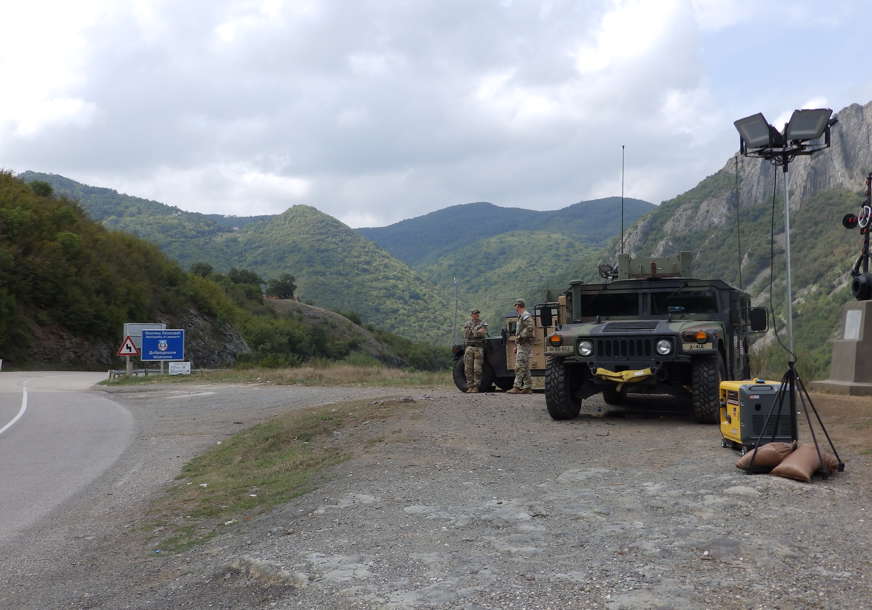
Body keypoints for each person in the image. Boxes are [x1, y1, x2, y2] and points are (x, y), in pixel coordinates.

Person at [508, 298, 534, 394]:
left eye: (515, 306)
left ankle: (517, 386)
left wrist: (520, 336)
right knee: (525, 366)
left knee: (519, 366)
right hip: (521, 344)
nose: (515, 308)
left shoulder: (526, 315)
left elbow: (530, 328)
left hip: (525, 344)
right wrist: (516, 344)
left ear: (518, 306)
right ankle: (527, 387)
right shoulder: (521, 316)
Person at [462, 309, 488, 392]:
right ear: (471, 315)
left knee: (477, 369)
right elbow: (466, 334)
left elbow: (482, 333)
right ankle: (470, 386)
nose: (476, 315)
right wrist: (475, 331)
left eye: (477, 314)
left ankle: (476, 386)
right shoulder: (467, 323)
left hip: (478, 348)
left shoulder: (483, 323)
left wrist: (473, 332)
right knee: (467, 368)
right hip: (469, 347)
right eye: (474, 314)